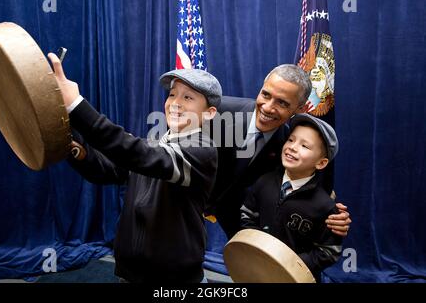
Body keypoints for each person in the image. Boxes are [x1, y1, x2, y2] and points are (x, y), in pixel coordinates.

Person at [49, 52, 221, 283]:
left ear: (209, 114)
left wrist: (77, 106)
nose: (175, 104)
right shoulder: (154, 145)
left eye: (188, 98)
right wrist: (73, 147)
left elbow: (136, 154)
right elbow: (106, 170)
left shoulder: (202, 151)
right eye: (171, 95)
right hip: (129, 274)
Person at [206, 64, 351, 239]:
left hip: (233, 209)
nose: (267, 107)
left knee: (253, 259)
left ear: (300, 109)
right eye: (265, 95)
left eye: (282, 102)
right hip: (185, 198)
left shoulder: (288, 145)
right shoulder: (216, 110)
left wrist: (333, 213)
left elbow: (306, 184)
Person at [241, 113, 342, 282]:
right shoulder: (264, 182)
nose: (293, 147)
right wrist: (258, 248)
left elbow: (329, 251)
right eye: (291, 140)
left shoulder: (325, 206)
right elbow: (247, 216)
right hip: (258, 270)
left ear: (321, 163)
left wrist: (290, 263)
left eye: (305, 146)